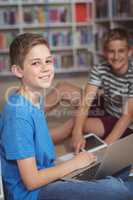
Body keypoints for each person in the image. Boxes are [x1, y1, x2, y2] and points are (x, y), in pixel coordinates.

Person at [0, 32, 133, 200]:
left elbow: (45, 160)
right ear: (18, 70)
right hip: (34, 193)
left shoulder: (36, 101)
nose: (46, 68)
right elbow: (31, 181)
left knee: (119, 167)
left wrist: (75, 164)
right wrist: (74, 164)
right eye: (35, 63)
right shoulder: (18, 115)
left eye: (48, 61)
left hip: (48, 175)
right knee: (117, 190)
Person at [72, 27, 133, 153]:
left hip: (125, 123)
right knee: (62, 88)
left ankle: (39, 140)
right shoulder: (100, 68)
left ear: (130, 52)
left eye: (121, 51)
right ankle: (33, 132)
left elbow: (127, 116)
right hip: (108, 107)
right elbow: (85, 103)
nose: (116, 56)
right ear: (105, 52)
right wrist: (77, 133)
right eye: (111, 51)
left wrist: (104, 148)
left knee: (75, 123)